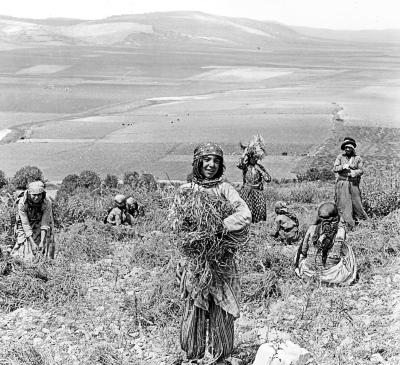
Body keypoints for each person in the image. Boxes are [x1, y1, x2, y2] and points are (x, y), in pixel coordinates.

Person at [176, 142, 251, 365]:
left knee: (221, 307)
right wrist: (193, 235)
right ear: (197, 162)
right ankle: (193, 355)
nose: (211, 165)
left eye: (216, 161)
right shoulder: (186, 190)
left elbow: (244, 214)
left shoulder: (225, 189)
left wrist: (218, 227)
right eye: (207, 160)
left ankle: (221, 356)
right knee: (194, 306)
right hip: (195, 261)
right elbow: (176, 224)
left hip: (221, 261)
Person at [295, 202, 357, 285]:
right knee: (348, 249)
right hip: (333, 276)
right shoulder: (341, 231)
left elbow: (303, 251)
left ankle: (311, 273)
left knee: (300, 252)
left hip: (309, 274)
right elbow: (343, 252)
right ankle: (347, 275)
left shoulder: (311, 229)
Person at [11, 181, 55, 261]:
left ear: (43, 194)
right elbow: (25, 224)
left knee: (46, 241)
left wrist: (42, 242)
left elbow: (44, 223)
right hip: (26, 221)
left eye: (39, 195)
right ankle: (22, 261)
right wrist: (32, 243)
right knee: (23, 243)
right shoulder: (22, 203)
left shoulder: (47, 202)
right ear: (29, 193)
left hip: (41, 220)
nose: (37, 197)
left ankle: (46, 261)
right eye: (34, 195)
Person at [333, 137, 368, 228]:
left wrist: (355, 172)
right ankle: (346, 223)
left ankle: (361, 221)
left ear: (353, 148)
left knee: (357, 203)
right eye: (346, 147)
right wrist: (342, 166)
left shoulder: (358, 158)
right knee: (343, 203)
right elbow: (335, 169)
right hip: (342, 183)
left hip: (353, 184)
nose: (347, 149)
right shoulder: (340, 157)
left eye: (349, 147)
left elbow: (361, 170)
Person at [237, 135, 271, 223]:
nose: (255, 159)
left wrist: (261, 172)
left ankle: (258, 228)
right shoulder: (245, 167)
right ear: (250, 157)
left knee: (259, 212)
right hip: (246, 192)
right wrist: (245, 152)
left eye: (257, 158)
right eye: (254, 157)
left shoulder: (260, 167)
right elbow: (240, 164)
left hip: (258, 192)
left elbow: (268, 179)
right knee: (246, 212)